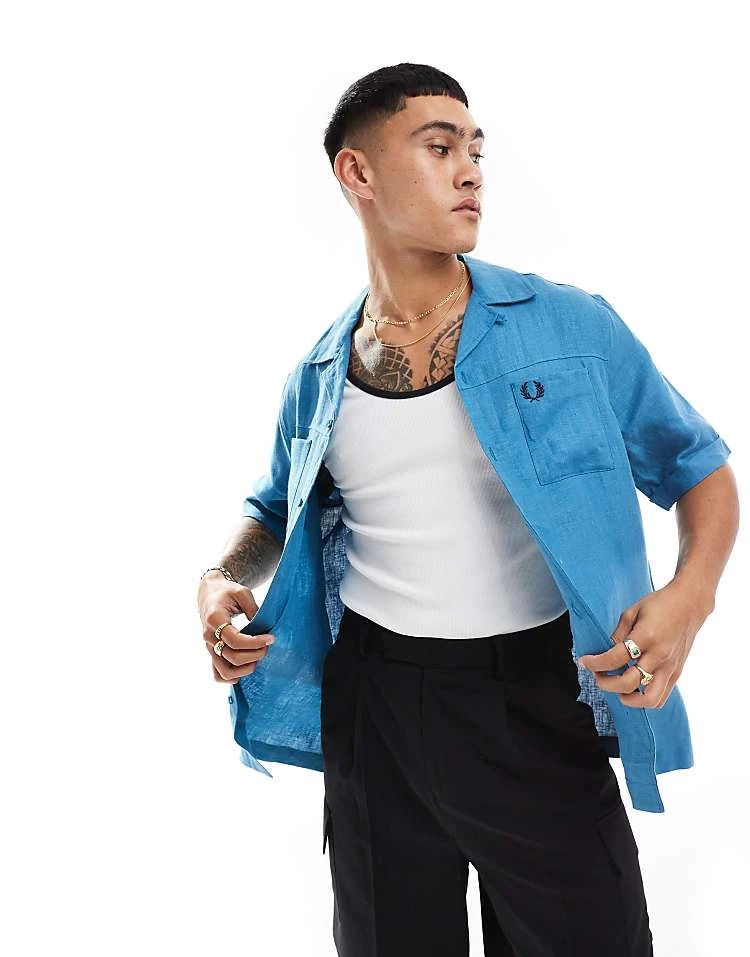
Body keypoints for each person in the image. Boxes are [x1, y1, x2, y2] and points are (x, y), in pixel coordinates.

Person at [196, 63, 738, 957]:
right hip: (373, 706)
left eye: (476, 151)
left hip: (530, 696)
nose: (471, 171)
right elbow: (274, 506)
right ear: (358, 173)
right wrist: (219, 579)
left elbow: (697, 464)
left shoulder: (569, 326)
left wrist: (692, 596)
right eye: (440, 147)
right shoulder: (320, 374)